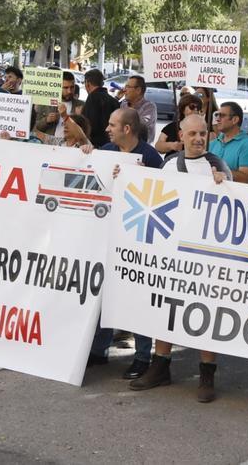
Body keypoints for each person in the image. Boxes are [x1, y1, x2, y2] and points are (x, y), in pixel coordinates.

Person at [137, 114, 231, 400]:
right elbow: (151, 198)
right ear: (182, 134)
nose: (199, 138)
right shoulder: (170, 166)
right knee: (167, 306)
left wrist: (224, 184)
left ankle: (206, 373)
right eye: (192, 134)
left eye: (203, 133)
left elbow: (235, 205)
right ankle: (160, 366)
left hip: (207, 253)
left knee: (206, 311)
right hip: (174, 249)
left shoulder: (217, 165)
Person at [88, 108, 162, 379]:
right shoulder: (107, 150)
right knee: (106, 293)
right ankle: (99, 350)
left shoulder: (151, 157)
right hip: (109, 232)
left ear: (127, 129)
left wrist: (143, 177)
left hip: (138, 237)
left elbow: (161, 196)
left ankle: (143, 357)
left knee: (135, 298)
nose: (107, 128)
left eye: (112, 124)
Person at [210, 101, 248, 184]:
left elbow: (246, 178)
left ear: (235, 120)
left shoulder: (247, 144)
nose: (217, 119)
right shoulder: (213, 143)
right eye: (217, 115)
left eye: (222, 115)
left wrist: (225, 174)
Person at [34, 71, 85, 141]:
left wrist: (79, 119)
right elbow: (34, 128)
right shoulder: (45, 103)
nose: (69, 91)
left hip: (71, 146)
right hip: (49, 145)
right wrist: (46, 120)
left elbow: (86, 133)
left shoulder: (81, 105)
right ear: (58, 87)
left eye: (72, 87)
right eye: (65, 88)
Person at [81, 69, 119, 148]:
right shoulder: (114, 101)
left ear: (87, 83)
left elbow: (87, 125)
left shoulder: (92, 98)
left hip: (94, 146)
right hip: (112, 146)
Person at [119, 74, 157, 142]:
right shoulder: (124, 103)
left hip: (141, 146)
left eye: (128, 87)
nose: (124, 90)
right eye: (125, 86)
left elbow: (141, 124)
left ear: (138, 90)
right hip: (123, 144)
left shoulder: (149, 106)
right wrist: (116, 98)